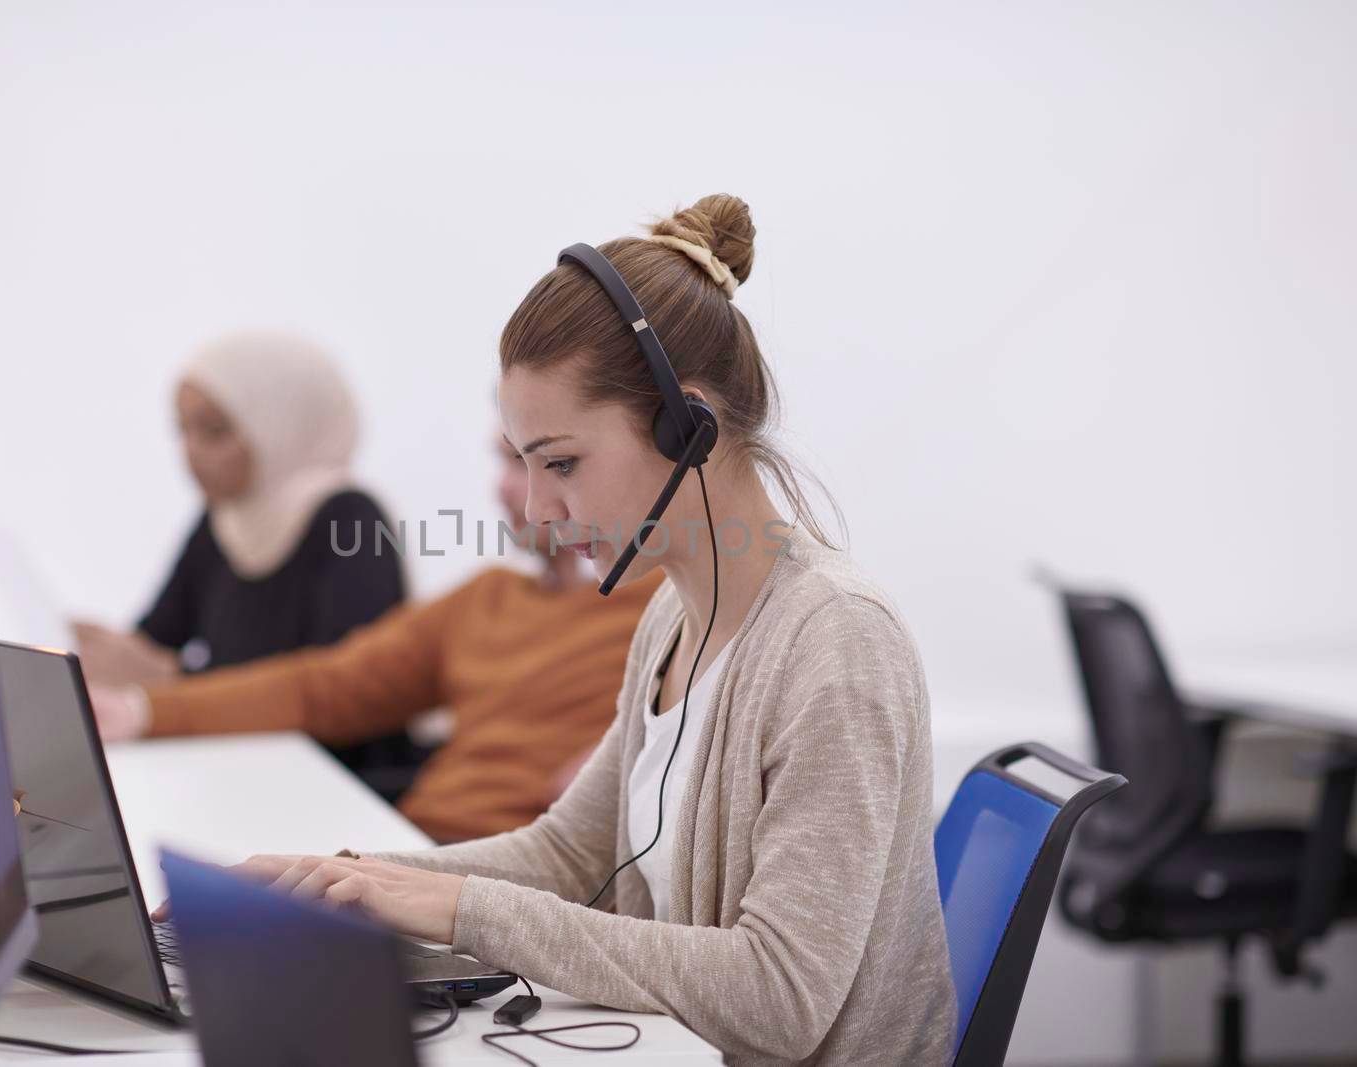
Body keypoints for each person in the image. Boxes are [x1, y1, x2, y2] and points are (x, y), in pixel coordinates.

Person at [199, 196, 958, 1065]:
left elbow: (781, 995)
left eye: (560, 463)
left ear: (690, 427)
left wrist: (461, 910)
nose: (537, 508)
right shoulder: (674, 613)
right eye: (526, 466)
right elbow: (570, 850)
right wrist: (343, 881)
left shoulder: (837, 643)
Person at [90, 429, 664, 841]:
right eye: (509, 463)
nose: (513, 492)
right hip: (408, 849)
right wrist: (140, 712)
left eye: (545, 464)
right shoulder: (488, 599)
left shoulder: (673, 609)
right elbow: (325, 686)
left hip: (519, 884)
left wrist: (635, 756)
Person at [73, 331, 414, 792]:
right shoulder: (222, 521)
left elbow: (342, 693)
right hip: (234, 771)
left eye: (214, 432)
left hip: (335, 788)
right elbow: (156, 641)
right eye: (181, 429)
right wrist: (100, 653)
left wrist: (173, 681)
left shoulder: (352, 521)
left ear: (279, 425)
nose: (190, 452)